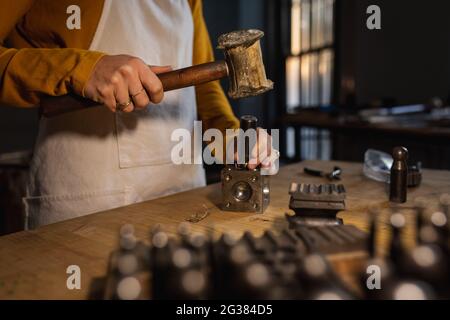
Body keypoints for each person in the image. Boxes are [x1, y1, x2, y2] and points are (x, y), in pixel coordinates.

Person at [0, 0, 273, 229]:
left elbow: (204, 89)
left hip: (186, 194)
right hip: (87, 204)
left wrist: (234, 140)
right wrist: (81, 70)